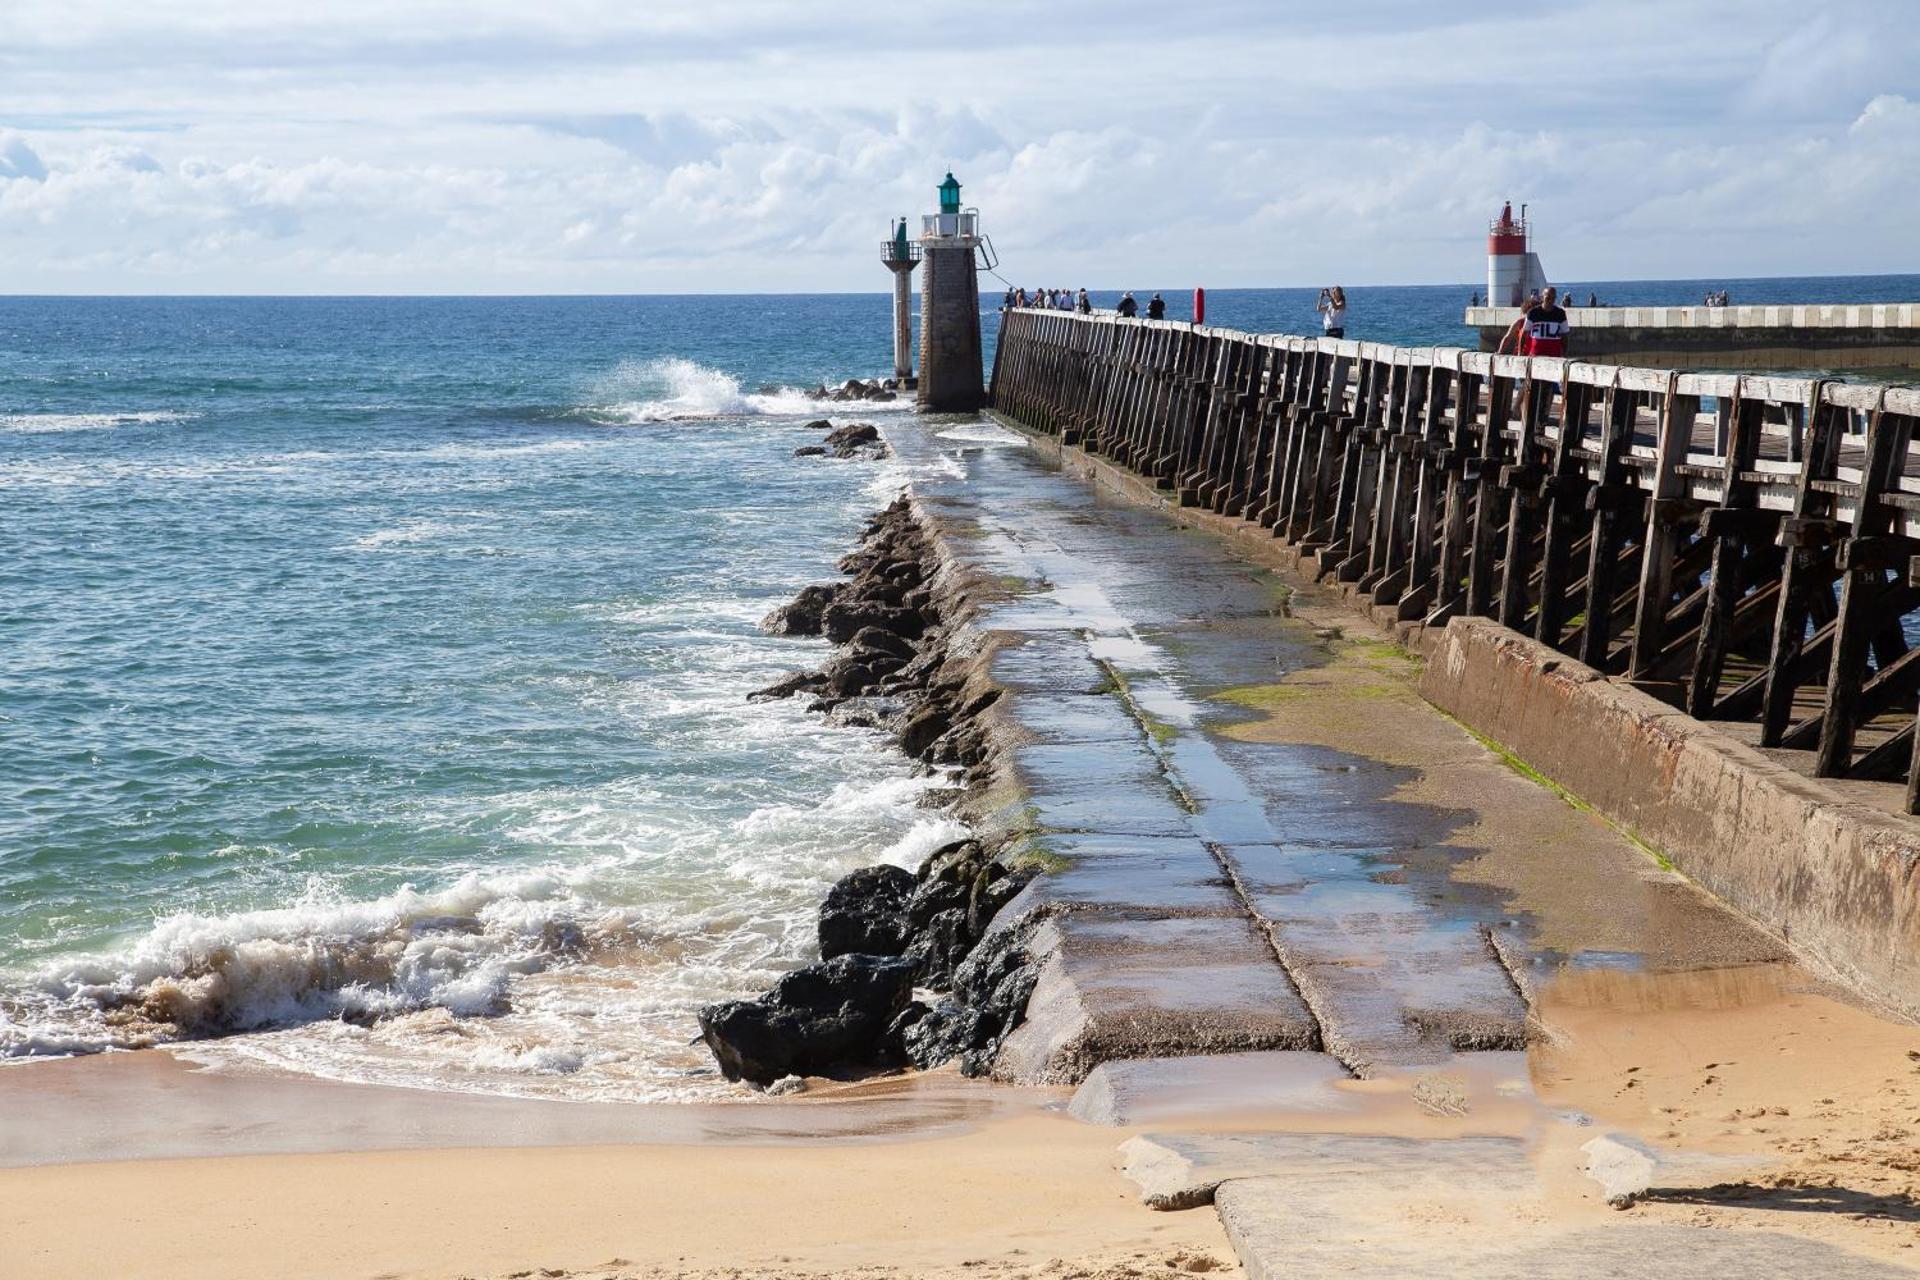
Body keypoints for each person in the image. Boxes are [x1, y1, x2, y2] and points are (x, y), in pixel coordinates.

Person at [1497, 285, 1569, 357]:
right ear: (1542, 297)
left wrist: (1564, 354)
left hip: (1552, 354)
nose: (1550, 300)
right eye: (1548, 297)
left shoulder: (1560, 313)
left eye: (1553, 298)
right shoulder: (1526, 318)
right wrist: (1518, 353)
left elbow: (1565, 336)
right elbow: (1515, 336)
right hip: (1532, 355)